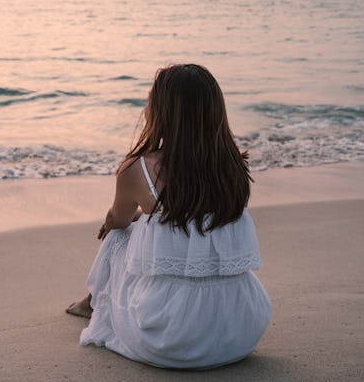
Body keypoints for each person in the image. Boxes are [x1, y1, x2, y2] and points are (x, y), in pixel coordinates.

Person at [66, 64, 271, 369]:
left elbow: (118, 221)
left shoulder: (137, 169)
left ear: (163, 111)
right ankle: (95, 300)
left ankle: (95, 300)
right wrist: (151, 218)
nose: (146, 108)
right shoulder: (232, 165)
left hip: (169, 340)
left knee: (118, 236)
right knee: (152, 229)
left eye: (150, 101)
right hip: (240, 332)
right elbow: (200, 218)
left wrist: (131, 217)